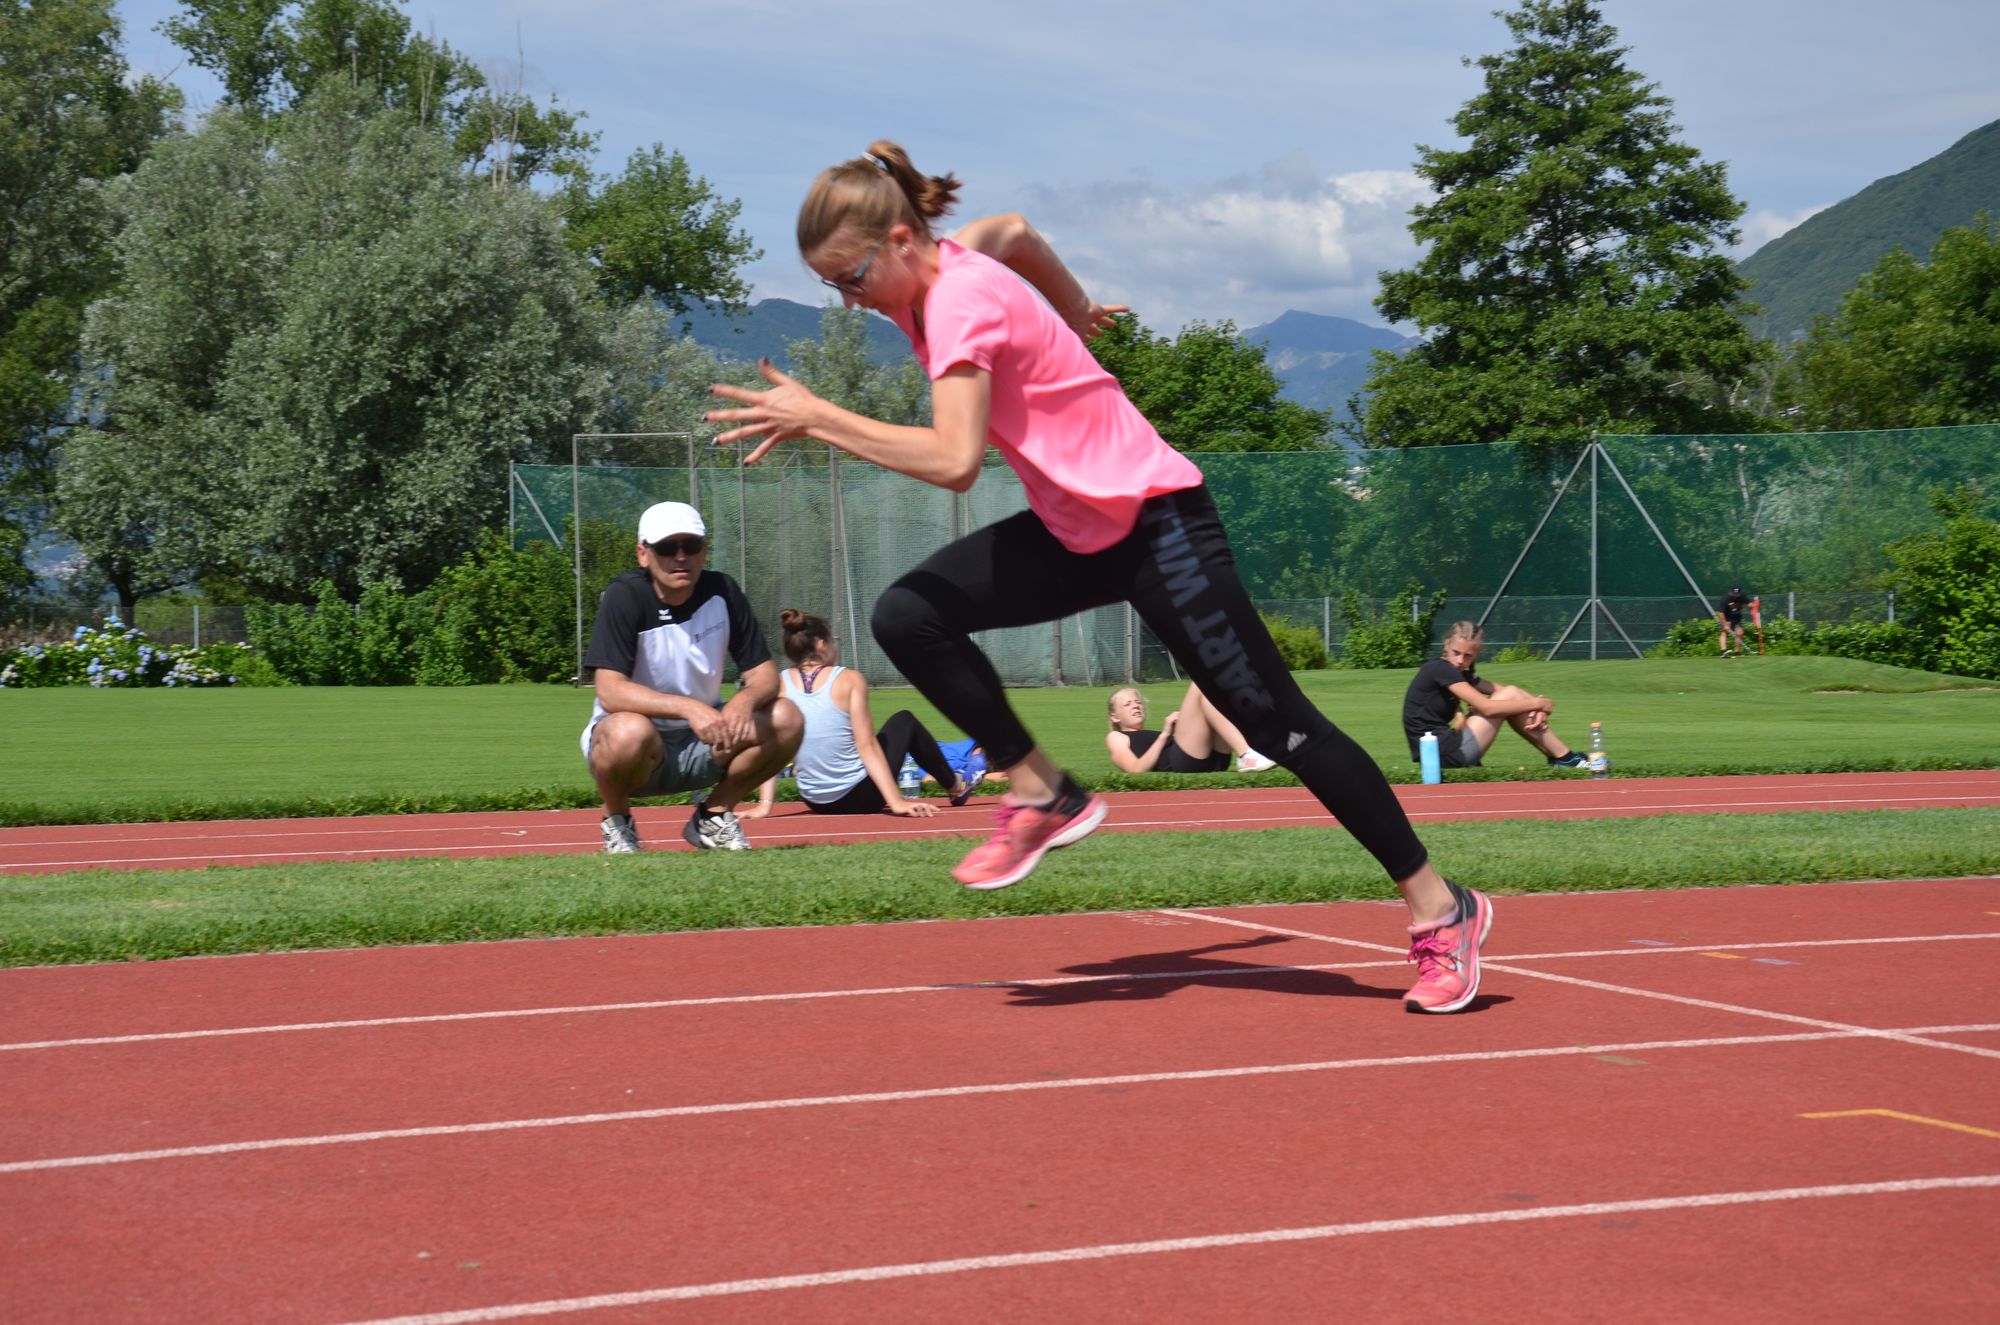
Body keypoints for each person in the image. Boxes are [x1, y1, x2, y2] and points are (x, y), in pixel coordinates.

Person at [705, 140, 1491, 1014]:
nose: (851, 301)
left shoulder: (956, 301)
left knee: (1282, 726)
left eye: (852, 278)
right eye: (832, 286)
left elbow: (956, 460)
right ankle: (1043, 790)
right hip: (1077, 531)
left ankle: (1441, 906)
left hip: (1158, 526)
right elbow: (1012, 229)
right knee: (909, 615)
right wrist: (1073, 306)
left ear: (898, 239)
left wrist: (819, 417)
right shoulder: (940, 263)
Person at [580, 501, 802, 853]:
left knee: (786, 717)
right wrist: (689, 708)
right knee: (628, 731)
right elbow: (610, 691)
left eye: (691, 545)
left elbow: (765, 676)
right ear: (643, 554)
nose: (681, 556)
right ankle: (618, 822)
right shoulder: (624, 596)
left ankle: (713, 816)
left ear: (704, 551)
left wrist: (744, 701)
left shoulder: (723, 591)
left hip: (708, 738)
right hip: (637, 745)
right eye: (667, 547)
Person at [778, 608, 975, 816]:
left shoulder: (780, 683)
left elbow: (770, 746)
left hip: (814, 801)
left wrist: (765, 804)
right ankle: (955, 785)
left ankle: (954, 784)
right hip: (861, 798)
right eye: (832, 641)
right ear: (821, 644)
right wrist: (896, 802)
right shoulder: (850, 679)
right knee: (904, 721)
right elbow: (867, 745)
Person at [1403, 622, 1588, 772]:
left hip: (1440, 752)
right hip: (1442, 754)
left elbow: (1505, 691)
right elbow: (1488, 708)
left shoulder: (1457, 672)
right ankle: (1565, 757)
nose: (1460, 661)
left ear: (1476, 655)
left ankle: (1561, 757)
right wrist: (1538, 703)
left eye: (1468, 656)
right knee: (1511, 696)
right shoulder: (1440, 668)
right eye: (1456, 653)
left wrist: (1538, 707)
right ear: (1446, 645)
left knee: (1512, 695)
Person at [1105, 684, 1276, 774]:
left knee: (1216, 693)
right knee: (1199, 684)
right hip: (1184, 762)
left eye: (1137, 702)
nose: (1136, 706)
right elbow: (1135, 769)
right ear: (1114, 716)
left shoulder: (1147, 735)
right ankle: (1246, 754)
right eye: (1127, 704)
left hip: (1214, 759)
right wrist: (1165, 734)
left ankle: (1251, 750)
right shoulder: (1116, 736)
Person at [1717, 585, 1751, 656]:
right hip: (1726, 617)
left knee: (1740, 633)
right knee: (1724, 632)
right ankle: (1723, 651)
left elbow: (1749, 604)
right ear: (1730, 592)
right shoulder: (1725, 599)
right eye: (1734, 594)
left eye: (1737, 594)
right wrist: (1725, 624)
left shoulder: (1742, 595)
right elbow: (1720, 613)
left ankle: (1737, 652)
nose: (1736, 596)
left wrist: (1754, 605)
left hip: (1737, 617)